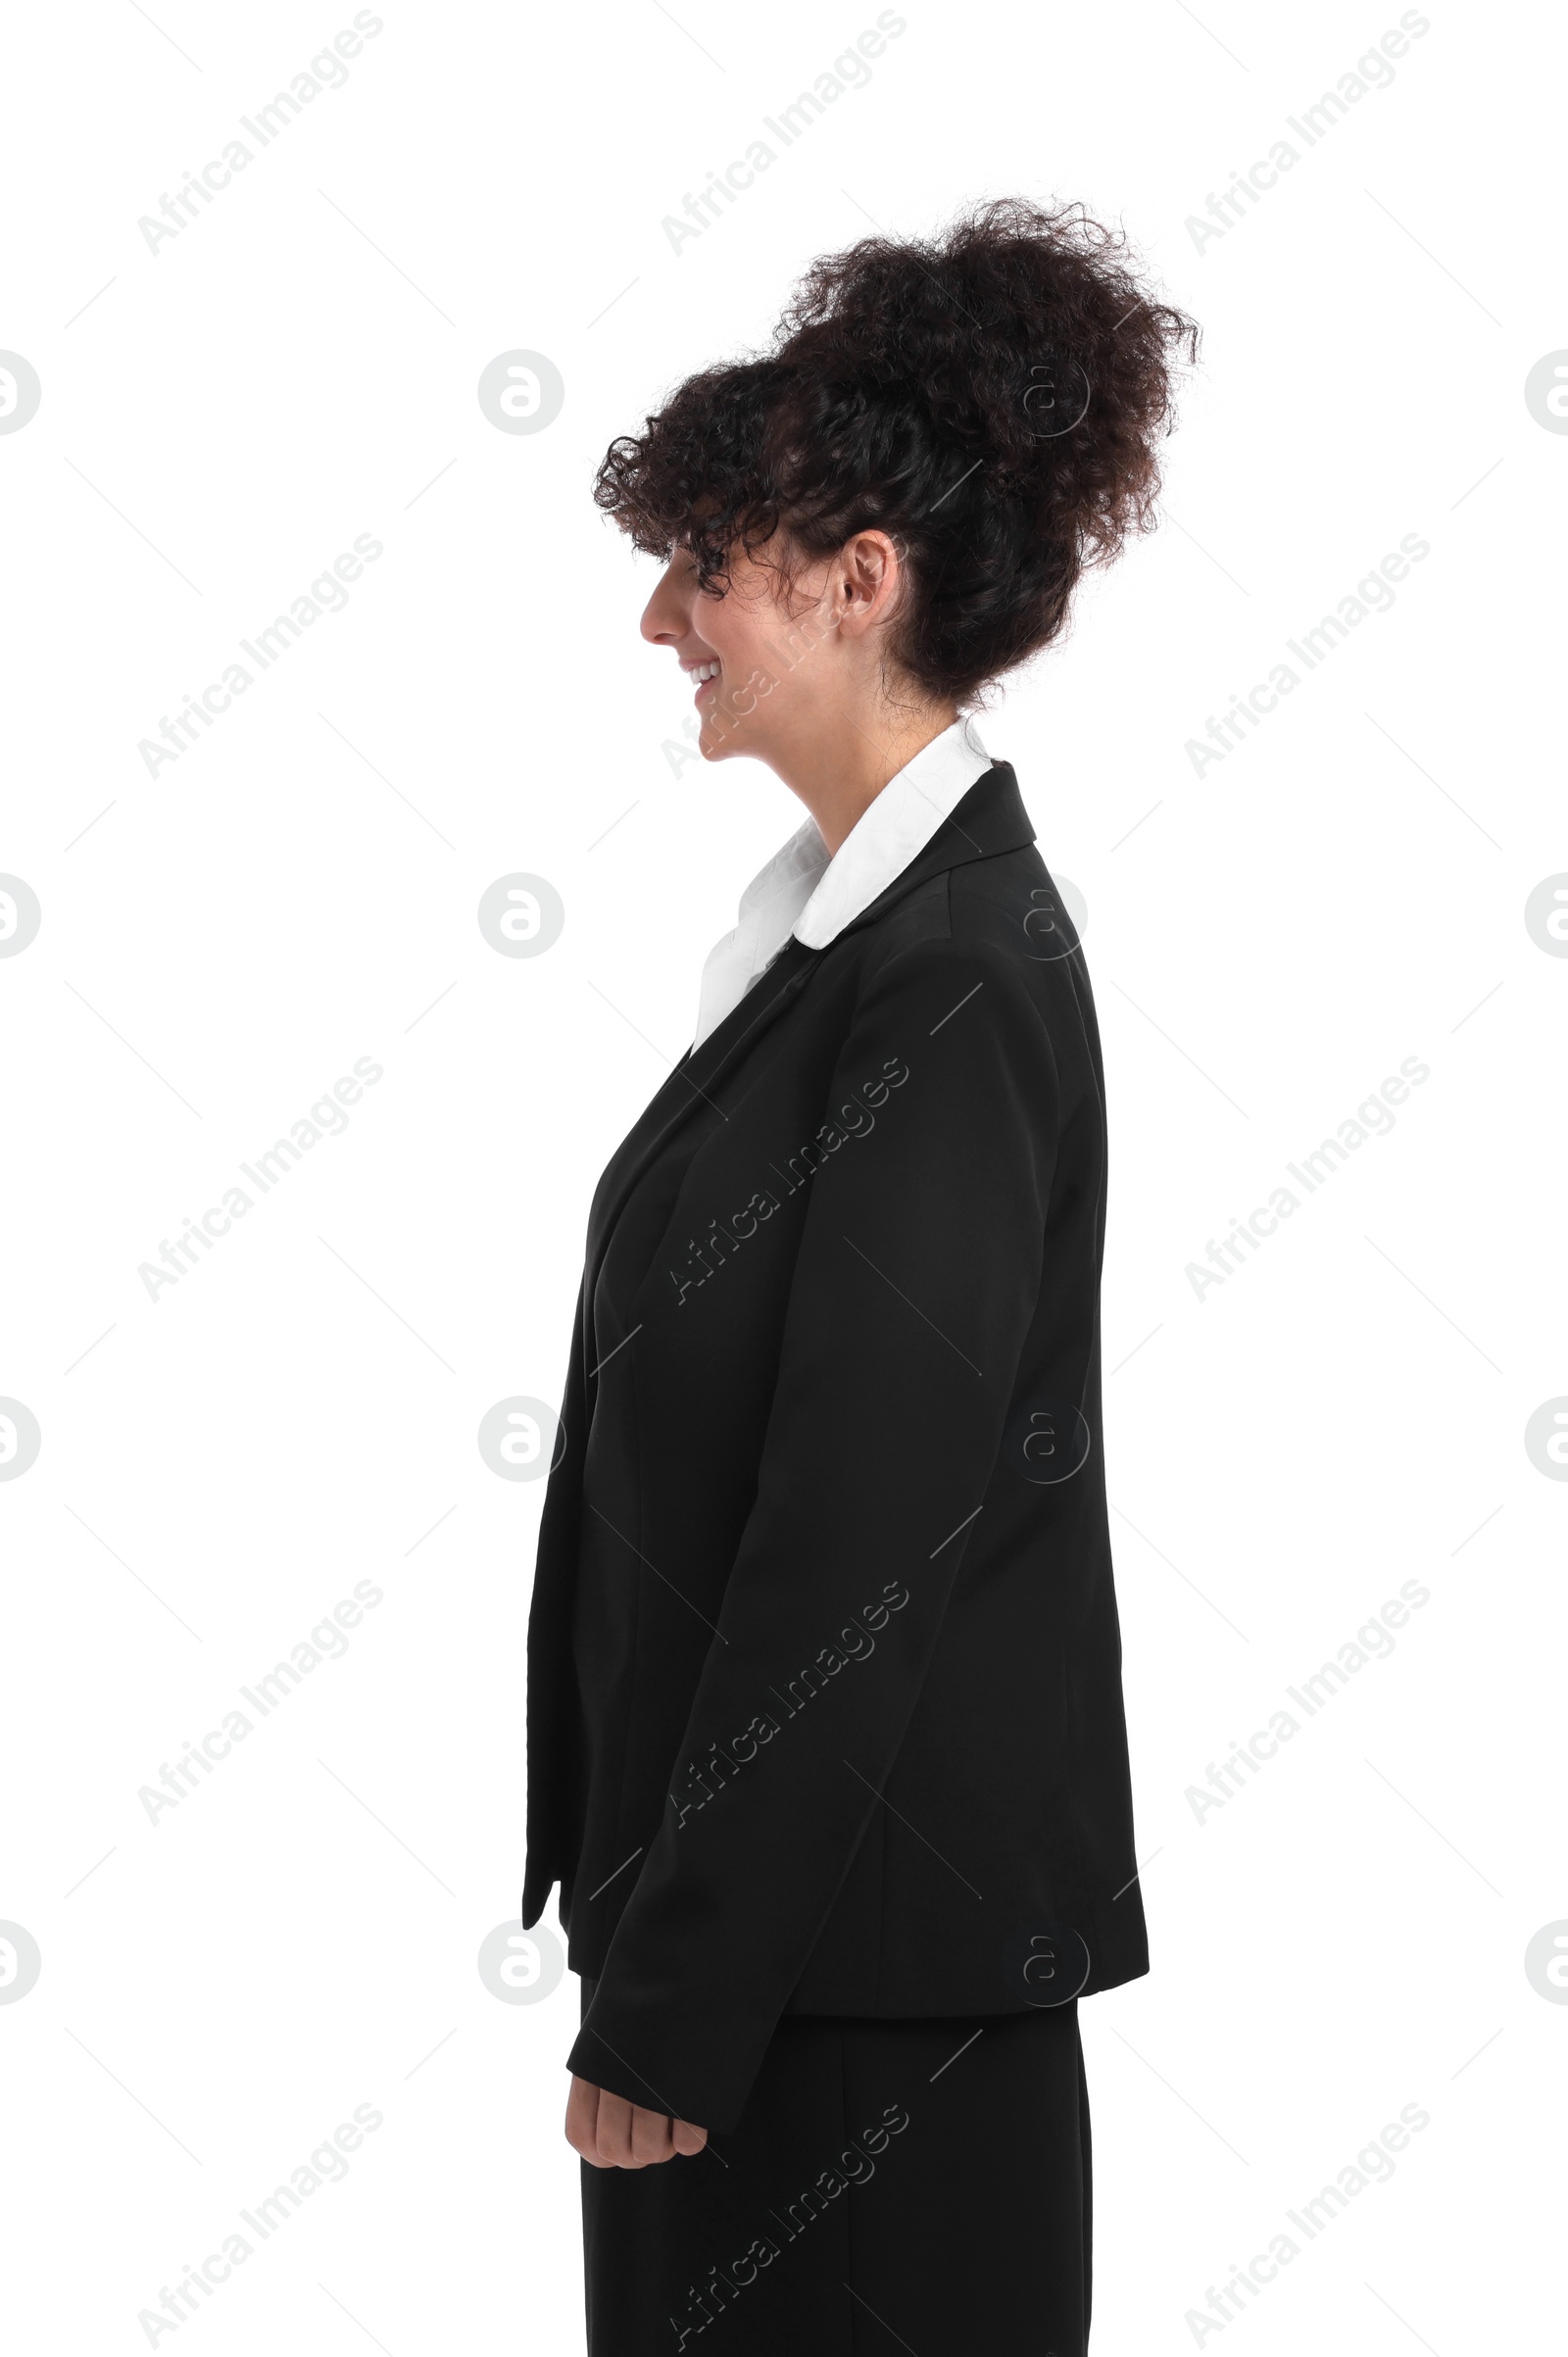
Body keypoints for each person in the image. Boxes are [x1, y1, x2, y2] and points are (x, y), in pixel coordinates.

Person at [523, 196, 1198, 2352]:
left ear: (854, 579)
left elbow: (856, 1545)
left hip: (845, 2023)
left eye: (700, 567)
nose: (659, 620)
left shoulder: (951, 981)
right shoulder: (840, 955)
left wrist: (681, 1999)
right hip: (776, 1984)